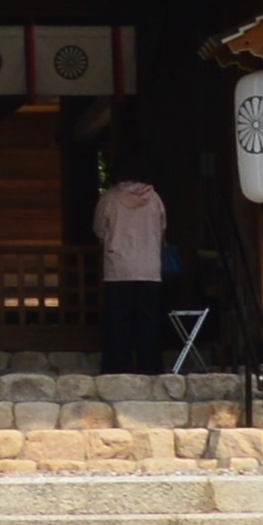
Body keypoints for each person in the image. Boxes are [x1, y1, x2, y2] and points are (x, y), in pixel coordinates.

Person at [91, 157, 173, 374]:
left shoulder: (111, 198)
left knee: (118, 322)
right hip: (149, 268)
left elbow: (99, 229)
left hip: (118, 268)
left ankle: (117, 369)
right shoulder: (154, 198)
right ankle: (151, 369)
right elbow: (162, 228)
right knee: (149, 323)